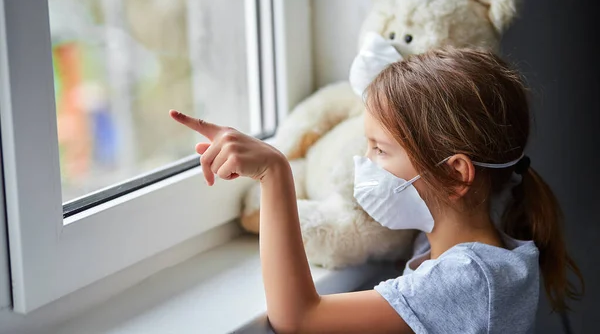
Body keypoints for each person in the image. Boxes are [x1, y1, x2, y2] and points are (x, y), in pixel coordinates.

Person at [170, 47, 583, 333]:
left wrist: (275, 172)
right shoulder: (471, 232)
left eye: (380, 150)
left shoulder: (470, 278)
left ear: (457, 175)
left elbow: (298, 318)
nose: (364, 164)